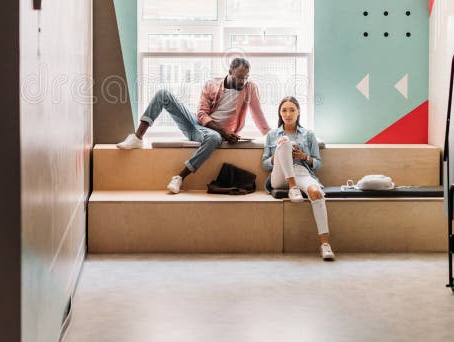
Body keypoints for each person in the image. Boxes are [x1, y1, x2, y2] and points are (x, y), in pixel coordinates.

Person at [117, 57, 271, 194]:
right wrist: (224, 131)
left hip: (212, 135)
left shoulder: (250, 88)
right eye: (239, 77)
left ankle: (179, 177)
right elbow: (202, 114)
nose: (242, 82)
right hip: (196, 125)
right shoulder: (212, 85)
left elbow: (259, 116)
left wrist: (272, 137)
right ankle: (137, 137)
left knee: (213, 138)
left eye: (245, 78)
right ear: (230, 71)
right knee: (163, 93)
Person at [262, 96, 335, 261]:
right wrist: (281, 151)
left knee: (316, 192)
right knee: (284, 142)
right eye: (284, 110)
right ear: (280, 113)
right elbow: (265, 164)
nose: (288, 114)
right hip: (279, 176)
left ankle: (325, 245)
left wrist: (303, 156)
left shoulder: (308, 134)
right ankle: (292, 186)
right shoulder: (272, 135)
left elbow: (318, 164)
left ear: (299, 112)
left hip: (301, 171)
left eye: (292, 110)